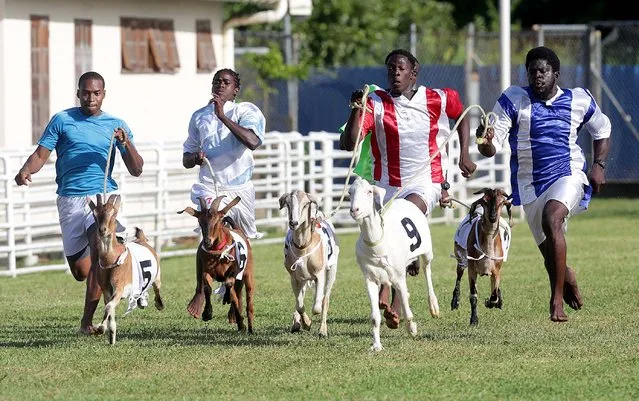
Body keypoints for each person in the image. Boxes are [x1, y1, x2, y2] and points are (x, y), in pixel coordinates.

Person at [340, 49, 477, 329]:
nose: (395, 73)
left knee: (405, 215)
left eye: (401, 68)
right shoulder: (376, 102)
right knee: (378, 237)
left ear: (414, 72)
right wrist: (357, 109)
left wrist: (465, 154)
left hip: (427, 181)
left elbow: (462, 114)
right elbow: (350, 142)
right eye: (390, 68)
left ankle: (398, 299)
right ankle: (391, 284)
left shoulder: (438, 97)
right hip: (386, 185)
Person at [476, 46, 611, 322]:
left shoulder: (579, 99)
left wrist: (598, 165)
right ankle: (567, 275)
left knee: (553, 219)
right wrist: (485, 140)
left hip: (568, 173)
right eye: (531, 71)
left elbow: (603, 128)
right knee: (549, 254)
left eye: (543, 71)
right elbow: (491, 148)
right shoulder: (513, 99)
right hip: (529, 185)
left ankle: (555, 300)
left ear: (556, 74)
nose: (536, 76)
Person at [14, 71, 144, 333]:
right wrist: (26, 169)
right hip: (70, 201)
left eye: (96, 93)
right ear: (78, 94)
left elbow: (136, 168)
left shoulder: (116, 125)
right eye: (86, 93)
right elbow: (42, 153)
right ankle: (107, 279)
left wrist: (126, 143)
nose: (91, 98)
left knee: (100, 254)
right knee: (82, 271)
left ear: (103, 94)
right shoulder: (62, 120)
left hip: (100, 199)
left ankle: (87, 322)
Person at [182, 68, 266, 318]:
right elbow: (185, 157)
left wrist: (223, 117)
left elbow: (252, 141)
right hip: (209, 185)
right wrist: (194, 158)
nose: (220, 85)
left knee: (241, 243)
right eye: (217, 81)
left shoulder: (247, 111)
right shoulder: (199, 117)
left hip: (240, 188)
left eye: (226, 82)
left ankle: (234, 297)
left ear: (235, 89)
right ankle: (200, 288)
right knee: (209, 230)